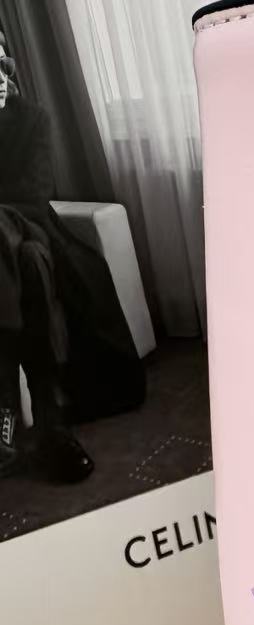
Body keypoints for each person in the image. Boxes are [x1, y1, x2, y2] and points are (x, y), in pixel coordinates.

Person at [0, 32, 144, 482]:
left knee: (28, 254)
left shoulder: (32, 119)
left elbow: (32, 194)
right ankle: (50, 423)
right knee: (28, 264)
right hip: (17, 255)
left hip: (31, 226)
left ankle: (6, 414)